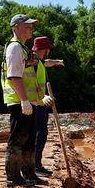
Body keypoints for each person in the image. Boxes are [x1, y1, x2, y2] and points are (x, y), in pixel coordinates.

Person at [0, 14, 52, 187]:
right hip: (19, 101)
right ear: (16, 27)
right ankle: (13, 177)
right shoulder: (14, 48)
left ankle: (29, 174)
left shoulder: (23, 48)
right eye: (27, 26)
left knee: (29, 140)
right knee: (18, 139)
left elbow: (32, 71)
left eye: (31, 26)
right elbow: (14, 76)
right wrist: (23, 100)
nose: (31, 28)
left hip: (29, 102)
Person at [31, 36, 64, 176]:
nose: (48, 52)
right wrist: (43, 96)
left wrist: (56, 62)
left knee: (41, 134)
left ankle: (36, 164)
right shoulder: (32, 62)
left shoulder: (39, 61)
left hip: (40, 103)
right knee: (39, 135)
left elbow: (47, 63)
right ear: (44, 49)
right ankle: (35, 166)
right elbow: (31, 81)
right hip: (36, 103)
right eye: (47, 49)